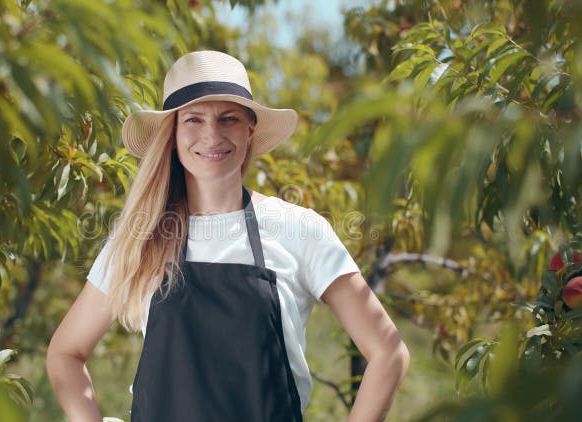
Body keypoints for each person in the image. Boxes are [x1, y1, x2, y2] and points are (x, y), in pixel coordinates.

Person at [46, 50, 409, 422]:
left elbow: (388, 352)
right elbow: (65, 353)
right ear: (172, 133)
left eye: (228, 118)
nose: (212, 135)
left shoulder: (299, 230)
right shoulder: (141, 237)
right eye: (193, 119)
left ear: (250, 129)